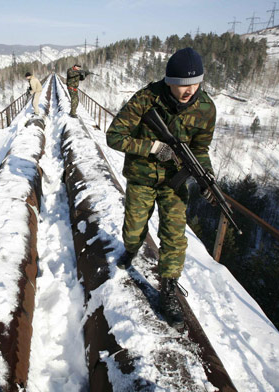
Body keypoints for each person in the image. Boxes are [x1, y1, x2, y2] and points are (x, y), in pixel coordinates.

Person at [105, 47, 217, 328]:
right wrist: (152, 147)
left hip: (174, 182)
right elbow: (114, 136)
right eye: (181, 85)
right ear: (169, 82)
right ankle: (131, 249)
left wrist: (206, 177)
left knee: (174, 235)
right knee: (133, 231)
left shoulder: (206, 109)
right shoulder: (146, 99)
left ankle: (169, 288)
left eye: (194, 83)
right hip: (142, 177)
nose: (188, 90)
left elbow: (201, 149)